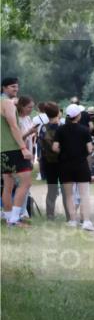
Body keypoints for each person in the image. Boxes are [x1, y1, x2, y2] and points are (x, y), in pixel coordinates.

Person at [53, 104, 94, 230]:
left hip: (65, 165)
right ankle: (86, 221)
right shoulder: (84, 130)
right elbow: (89, 148)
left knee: (69, 195)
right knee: (84, 194)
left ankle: (72, 220)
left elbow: (55, 147)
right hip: (81, 164)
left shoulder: (60, 130)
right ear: (79, 116)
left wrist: (64, 152)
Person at [1, 77, 33, 228]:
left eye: (17, 87)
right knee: (26, 182)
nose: (16, 89)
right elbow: (14, 127)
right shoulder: (7, 103)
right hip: (13, 148)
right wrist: (23, 148)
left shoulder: (5, 102)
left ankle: (9, 219)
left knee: (8, 184)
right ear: (4, 88)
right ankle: (14, 219)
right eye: (13, 87)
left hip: (2, 150)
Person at [38, 103, 68, 220]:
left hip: (49, 162)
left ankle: (50, 215)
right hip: (63, 161)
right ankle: (69, 215)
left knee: (51, 189)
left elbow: (41, 144)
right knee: (66, 190)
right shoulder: (64, 126)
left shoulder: (43, 128)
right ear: (58, 113)